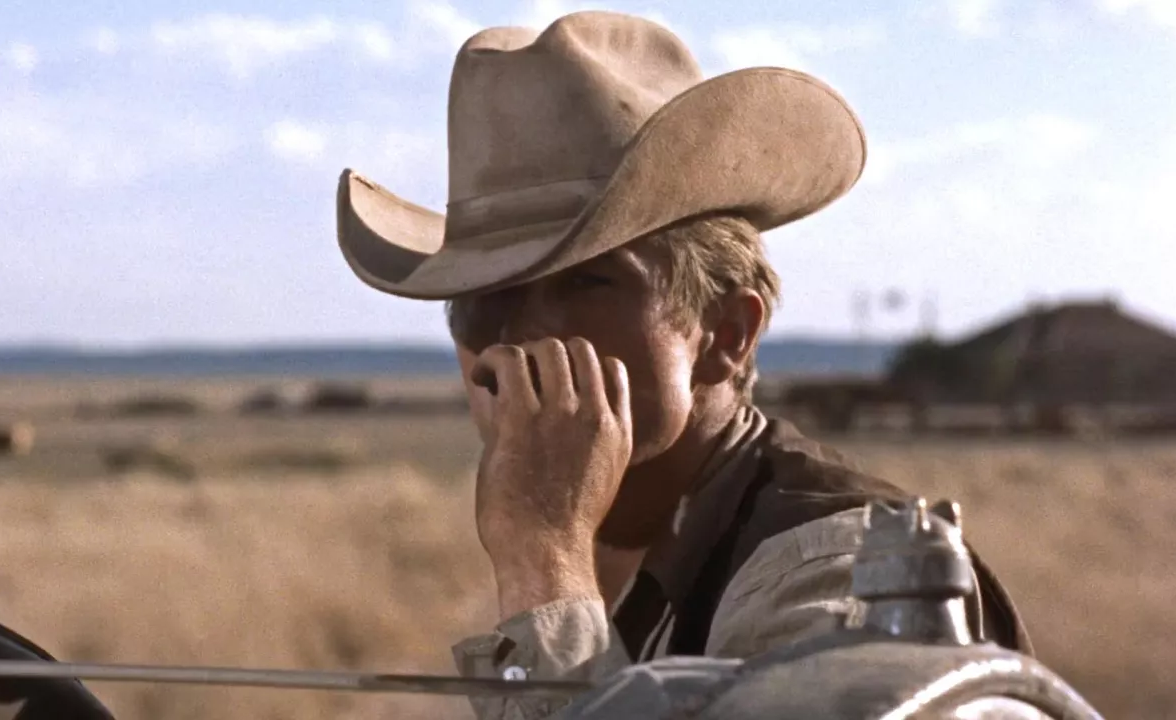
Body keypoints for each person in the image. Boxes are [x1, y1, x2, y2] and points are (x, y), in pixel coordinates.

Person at [337, 11, 1032, 720]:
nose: (519, 342)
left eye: (587, 284)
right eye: (484, 298)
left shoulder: (828, 572)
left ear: (726, 334)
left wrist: (544, 560)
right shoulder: (619, 550)